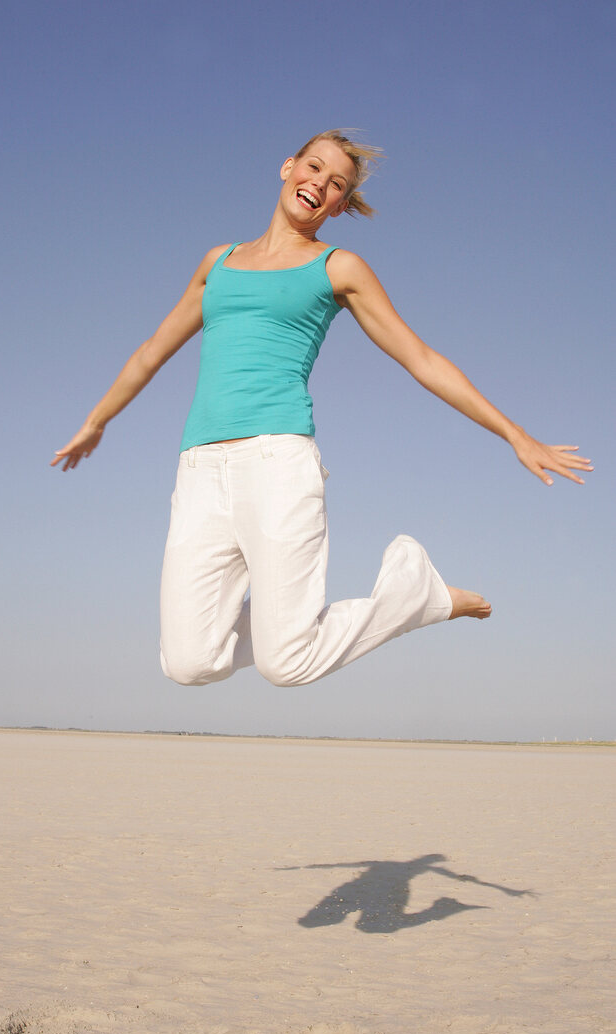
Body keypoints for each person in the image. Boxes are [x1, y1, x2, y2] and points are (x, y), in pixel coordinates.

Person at [52, 130, 591, 688]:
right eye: (313, 168)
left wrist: (514, 433)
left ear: (341, 206)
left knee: (286, 664)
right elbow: (151, 352)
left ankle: (415, 597)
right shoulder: (220, 262)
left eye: (336, 185)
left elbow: (422, 359)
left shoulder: (338, 268)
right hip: (199, 468)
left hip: (278, 464)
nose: (319, 184)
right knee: (188, 661)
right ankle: (403, 598)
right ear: (287, 167)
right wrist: (97, 421)